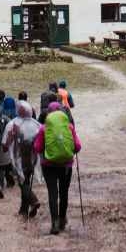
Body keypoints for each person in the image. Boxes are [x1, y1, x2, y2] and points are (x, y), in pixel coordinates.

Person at [35, 100, 82, 234]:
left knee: (52, 193)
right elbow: (78, 146)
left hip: (48, 165)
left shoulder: (44, 128)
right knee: (63, 193)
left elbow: (37, 148)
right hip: (66, 165)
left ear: (48, 113)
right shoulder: (69, 127)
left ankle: (54, 222)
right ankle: (62, 220)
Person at [4, 99, 42, 219]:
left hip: (18, 159)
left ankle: (33, 200)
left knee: (22, 182)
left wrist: (8, 142)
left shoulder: (12, 124)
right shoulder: (36, 125)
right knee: (25, 181)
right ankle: (23, 209)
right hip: (33, 159)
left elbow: (5, 146)